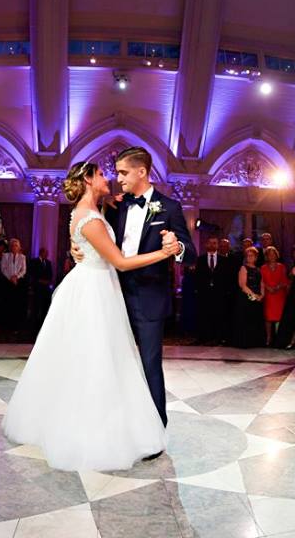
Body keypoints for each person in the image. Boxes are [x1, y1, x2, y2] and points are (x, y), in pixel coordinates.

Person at [3, 160, 179, 471]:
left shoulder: (92, 211)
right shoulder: (92, 218)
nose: (109, 178)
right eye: (101, 174)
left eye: (117, 173)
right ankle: (92, 431)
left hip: (98, 284)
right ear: (88, 179)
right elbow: (120, 262)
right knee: (95, 359)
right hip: (95, 289)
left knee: (93, 358)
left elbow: (90, 239)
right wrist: (164, 254)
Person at [87, 146, 196, 431]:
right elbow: (103, 241)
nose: (118, 178)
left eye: (123, 172)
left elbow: (192, 253)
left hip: (150, 298)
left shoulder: (170, 207)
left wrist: (177, 247)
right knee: (112, 360)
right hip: (114, 294)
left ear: (142, 171)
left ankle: (155, 428)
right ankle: (114, 422)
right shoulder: (116, 205)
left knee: (149, 362)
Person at [195, 236, 232, 345]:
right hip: (204, 293)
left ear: (217, 245)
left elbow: (227, 277)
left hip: (219, 293)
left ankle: (218, 338)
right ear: (206, 245)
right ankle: (204, 337)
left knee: (219, 315)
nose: (212, 245)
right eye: (210, 243)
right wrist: (198, 290)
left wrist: (226, 291)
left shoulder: (224, 260)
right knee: (204, 315)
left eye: (214, 243)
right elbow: (198, 277)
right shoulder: (200, 259)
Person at [232, 246, 263, 348]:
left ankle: (254, 342)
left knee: (254, 320)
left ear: (256, 257)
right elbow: (243, 285)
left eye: (252, 256)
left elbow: (261, 283)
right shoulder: (243, 268)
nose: (250, 257)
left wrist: (262, 295)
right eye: (248, 256)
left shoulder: (259, 269)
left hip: (257, 298)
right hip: (246, 298)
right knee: (246, 320)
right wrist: (253, 296)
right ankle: (245, 343)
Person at [260, 246, 287, 347]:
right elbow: (261, 281)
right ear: (266, 256)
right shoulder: (263, 268)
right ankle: (268, 338)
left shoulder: (282, 267)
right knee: (268, 317)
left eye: (273, 254)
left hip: (279, 294)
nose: (272, 256)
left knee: (279, 317)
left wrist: (278, 287)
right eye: (269, 254)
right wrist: (268, 288)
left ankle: (278, 338)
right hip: (268, 295)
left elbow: (285, 281)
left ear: (276, 255)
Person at [1, 238, 28, 333]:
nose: (14, 247)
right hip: (7, 282)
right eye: (12, 245)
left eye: (16, 245)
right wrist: (10, 278)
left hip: (18, 283)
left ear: (19, 247)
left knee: (17, 305)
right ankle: (6, 325)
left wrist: (16, 277)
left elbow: (23, 270)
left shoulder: (22, 257)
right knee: (8, 304)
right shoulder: (5, 256)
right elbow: (3, 268)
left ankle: (16, 326)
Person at [28, 247, 54, 336]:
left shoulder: (48, 263)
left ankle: (43, 325)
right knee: (36, 307)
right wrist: (39, 281)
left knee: (45, 306)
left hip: (46, 289)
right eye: (46, 252)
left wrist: (48, 281)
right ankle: (33, 327)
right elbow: (32, 273)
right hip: (37, 287)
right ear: (41, 253)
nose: (47, 255)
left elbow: (50, 275)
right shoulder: (34, 261)